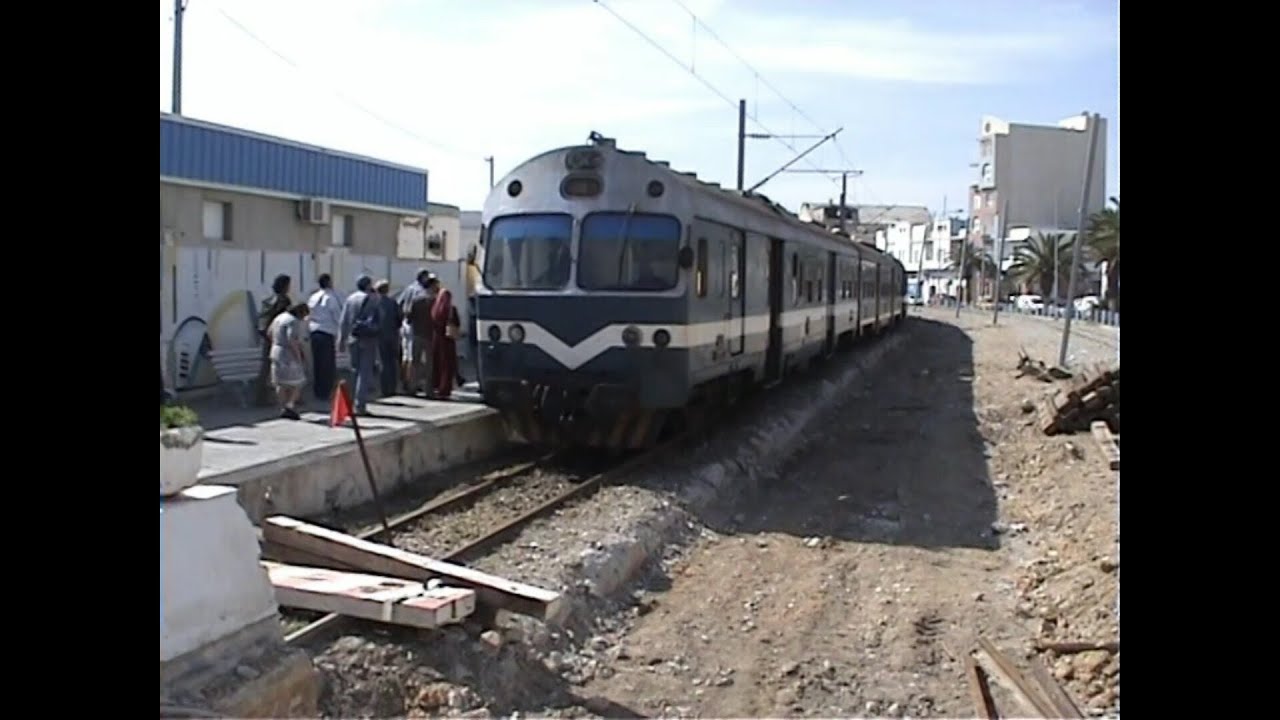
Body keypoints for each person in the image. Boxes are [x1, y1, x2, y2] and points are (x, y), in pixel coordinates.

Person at [339, 275, 383, 416]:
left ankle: (349, 402)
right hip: (367, 339)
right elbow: (380, 318)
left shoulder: (350, 299)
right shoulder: (372, 299)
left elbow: (344, 320)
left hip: (353, 338)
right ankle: (360, 405)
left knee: (354, 370)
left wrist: (341, 340)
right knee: (364, 372)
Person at [267, 302, 311, 420]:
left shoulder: (279, 317)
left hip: (275, 351)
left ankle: (282, 408)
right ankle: (290, 405)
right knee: (299, 381)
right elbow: (292, 339)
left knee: (280, 382)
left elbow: (269, 333)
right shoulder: (293, 321)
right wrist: (299, 356)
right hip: (288, 354)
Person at [396, 269, 437, 396]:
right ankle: (429, 389)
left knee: (414, 361)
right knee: (429, 363)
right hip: (430, 334)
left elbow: (408, 316)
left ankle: (412, 386)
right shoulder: (435, 300)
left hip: (416, 333)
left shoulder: (416, 299)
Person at [255, 274, 292, 406]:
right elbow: (286, 321)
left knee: (265, 369)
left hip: (267, 337)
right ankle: (286, 399)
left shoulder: (268, 300)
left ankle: (259, 397)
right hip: (279, 339)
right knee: (284, 369)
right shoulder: (284, 301)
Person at [307, 273, 344, 402]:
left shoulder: (313, 297)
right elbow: (337, 316)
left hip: (314, 331)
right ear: (329, 283)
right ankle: (326, 391)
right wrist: (342, 331)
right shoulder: (330, 298)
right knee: (327, 364)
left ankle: (318, 389)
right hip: (327, 332)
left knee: (317, 363)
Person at [430, 277, 458, 399]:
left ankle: (437, 386)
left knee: (438, 363)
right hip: (447, 340)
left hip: (437, 338)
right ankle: (445, 388)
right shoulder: (450, 310)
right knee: (447, 364)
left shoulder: (435, 308)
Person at [373, 279, 402, 397]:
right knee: (392, 362)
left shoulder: (374, 303)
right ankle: (393, 387)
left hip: (379, 336)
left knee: (382, 363)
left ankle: (384, 388)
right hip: (393, 336)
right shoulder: (393, 302)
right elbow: (399, 319)